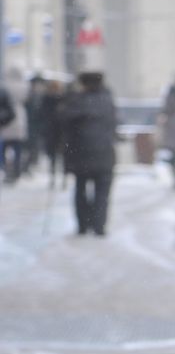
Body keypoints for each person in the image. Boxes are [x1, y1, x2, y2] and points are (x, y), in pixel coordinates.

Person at [61, 72, 118, 236]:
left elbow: (64, 123)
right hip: (105, 154)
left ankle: (83, 226)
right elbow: (114, 125)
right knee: (102, 193)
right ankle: (99, 226)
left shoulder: (76, 101)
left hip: (81, 154)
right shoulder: (108, 100)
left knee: (81, 189)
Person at [27, 77, 64, 183]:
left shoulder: (48, 99)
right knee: (55, 154)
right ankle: (56, 175)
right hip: (55, 131)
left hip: (52, 130)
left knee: (54, 154)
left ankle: (55, 175)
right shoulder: (57, 99)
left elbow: (40, 114)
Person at [0, 77, 18, 183]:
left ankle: (10, 171)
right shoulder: (4, 91)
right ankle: (12, 171)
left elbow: (11, 112)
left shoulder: (3, 91)